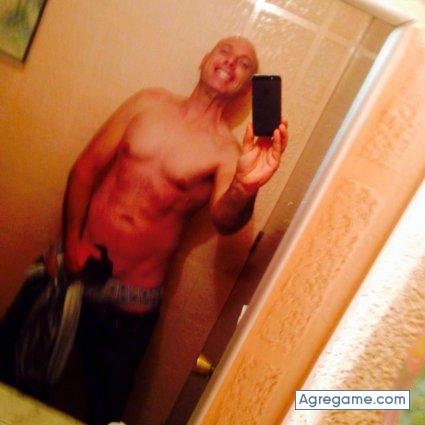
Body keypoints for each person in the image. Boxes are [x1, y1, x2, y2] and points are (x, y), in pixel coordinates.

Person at [11, 36, 288, 425]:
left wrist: (244, 187)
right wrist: (71, 243)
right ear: (204, 58)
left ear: (247, 88)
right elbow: (85, 169)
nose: (231, 61)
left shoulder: (226, 151)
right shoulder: (148, 103)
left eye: (245, 63)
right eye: (225, 51)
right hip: (71, 268)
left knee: (103, 413)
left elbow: (225, 221)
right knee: (12, 378)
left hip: (130, 304)